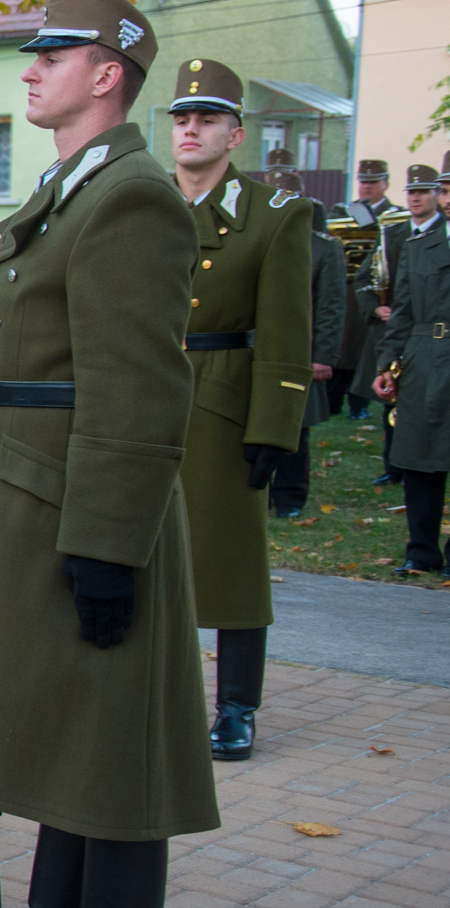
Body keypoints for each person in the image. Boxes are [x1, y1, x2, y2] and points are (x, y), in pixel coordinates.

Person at [0, 0, 219, 908]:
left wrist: (104, 545)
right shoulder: (77, 186)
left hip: (89, 508)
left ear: (107, 74)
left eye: (50, 55)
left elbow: (140, 391)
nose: (28, 69)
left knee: (112, 741)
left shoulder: (131, 194)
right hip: (31, 494)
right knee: (59, 719)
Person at [168, 59, 312, 763]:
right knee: (138, 552)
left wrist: (275, 428)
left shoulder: (276, 216)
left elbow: (287, 331)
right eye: (181, 117)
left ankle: (236, 707)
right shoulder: (146, 202)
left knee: (232, 563)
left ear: (236, 133)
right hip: (147, 396)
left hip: (223, 399)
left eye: (207, 118)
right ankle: (153, 693)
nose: (191, 129)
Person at [373, 177, 450, 579]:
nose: (447, 200)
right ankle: (421, 553)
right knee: (420, 459)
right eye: (447, 191)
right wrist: (387, 364)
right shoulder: (418, 248)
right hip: (422, 360)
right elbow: (401, 310)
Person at [355, 164, 444, 485]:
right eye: (412, 192)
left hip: (429, 333)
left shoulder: (442, 232)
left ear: (436, 195)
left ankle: (421, 467)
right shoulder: (393, 233)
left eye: (424, 192)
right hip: (398, 329)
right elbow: (366, 276)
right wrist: (377, 307)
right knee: (394, 403)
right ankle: (394, 467)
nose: (416, 198)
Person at [268, 177, 346, 517]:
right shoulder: (260, 239)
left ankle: (289, 497)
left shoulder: (323, 247)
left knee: (295, 428)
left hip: (302, 350)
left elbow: (331, 305)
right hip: (260, 346)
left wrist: (323, 356)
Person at [336, 160, 397, 419]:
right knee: (344, 348)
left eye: (373, 182)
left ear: (386, 184)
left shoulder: (396, 215)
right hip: (350, 289)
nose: (366, 187)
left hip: (380, 292)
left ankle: (360, 404)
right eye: (363, 182)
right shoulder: (345, 212)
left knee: (367, 350)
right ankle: (335, 401)